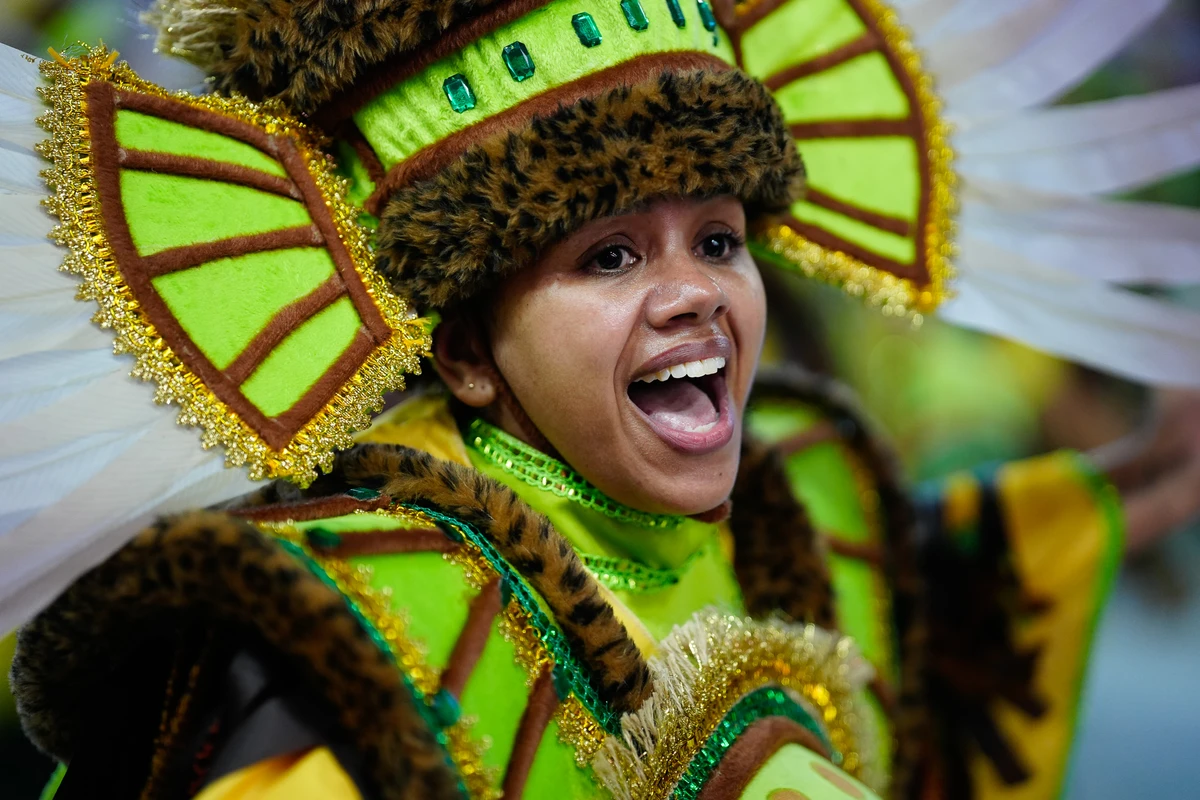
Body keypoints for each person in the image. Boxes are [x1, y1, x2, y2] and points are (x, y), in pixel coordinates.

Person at [2, 1, 1199, 799]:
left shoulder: (798, 505)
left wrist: (1127, 482)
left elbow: (918, 601)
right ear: (468, 348)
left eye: (719, 238)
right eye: (611, 256)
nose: (694, 295)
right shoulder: (357, 631)